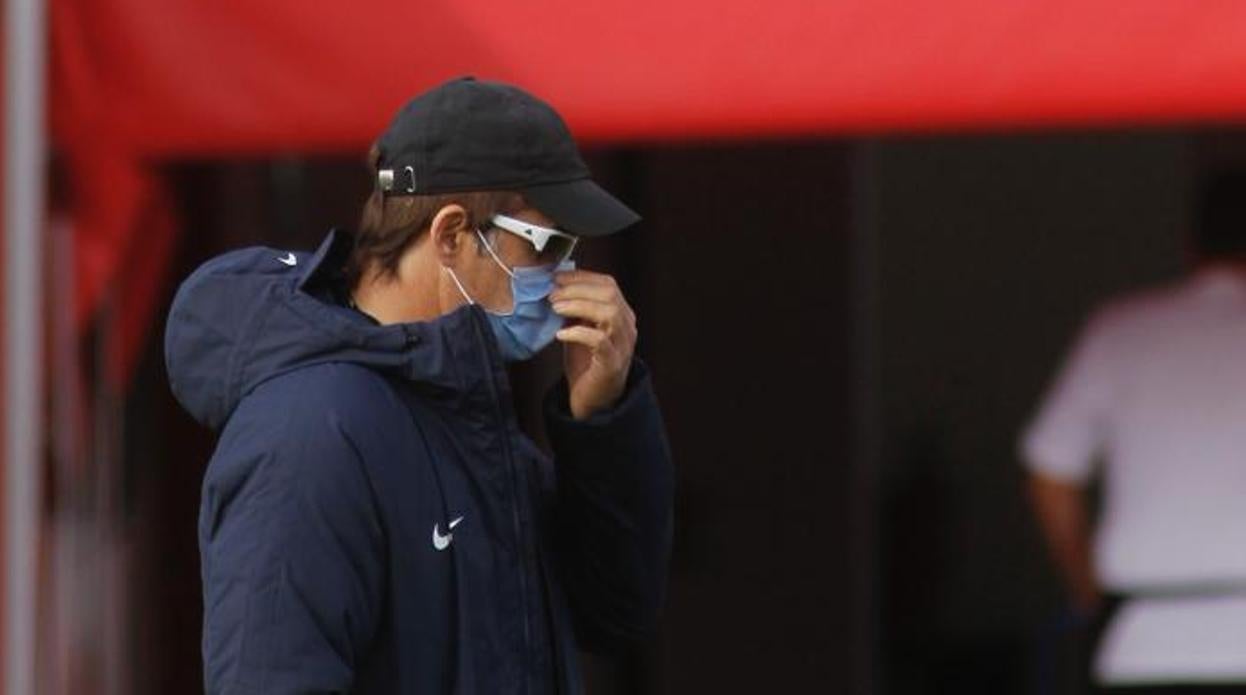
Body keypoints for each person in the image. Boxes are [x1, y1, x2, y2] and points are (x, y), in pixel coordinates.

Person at [165, 77, 674, 694]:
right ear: (452, 235)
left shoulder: (464, 417)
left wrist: (599, 422)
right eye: (546, 246)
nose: (566, 278)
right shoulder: (310, 432)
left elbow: (614, 613)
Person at [1021, 172, 1246, 693]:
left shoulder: (1121, 331)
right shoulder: (1118, 329)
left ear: (1191, 246)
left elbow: (1048, 471)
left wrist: (1086, 587)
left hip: (1146, 641)